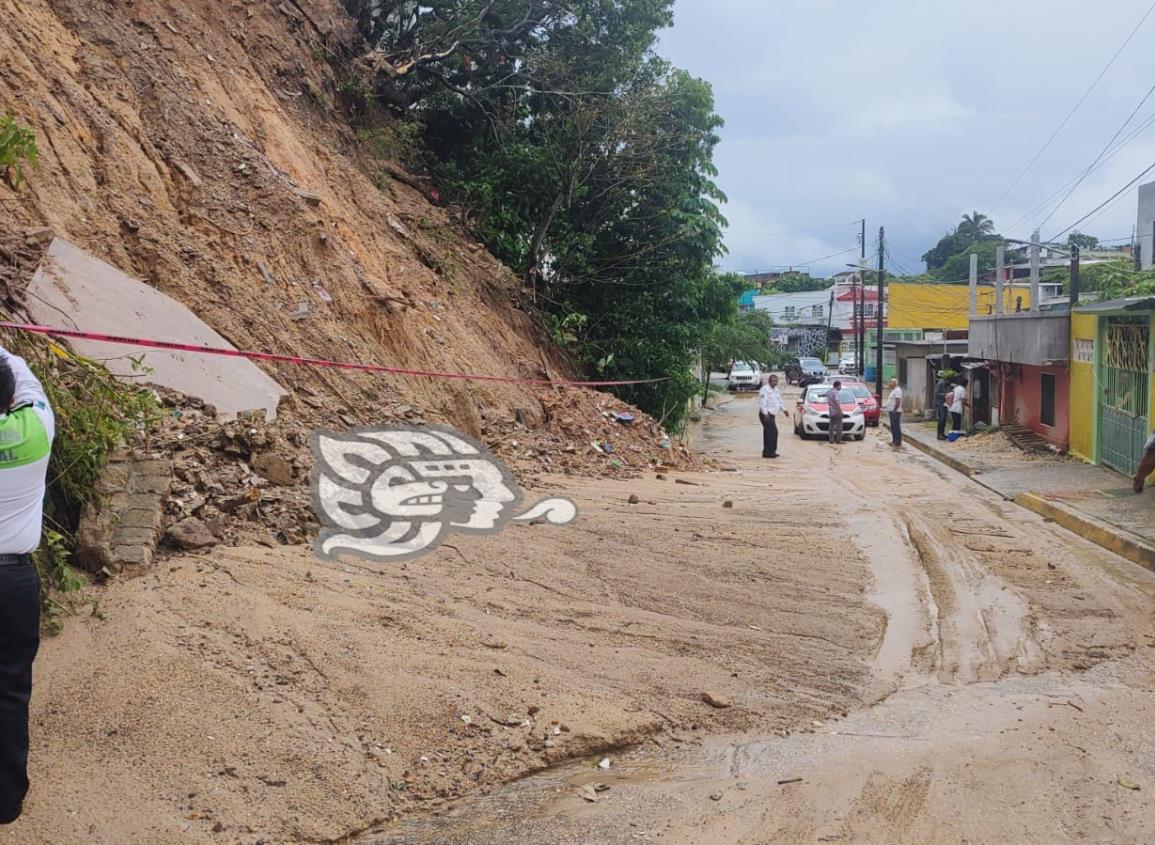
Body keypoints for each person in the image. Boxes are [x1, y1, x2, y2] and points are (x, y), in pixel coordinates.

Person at [0, 344, 54, 825]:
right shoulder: (35, 429)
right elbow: (24, 377)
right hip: (12, 580)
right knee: (10, 689)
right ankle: (6, 799)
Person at [758, 374, 789, 459]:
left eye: (776, 381)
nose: (775, 383)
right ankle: (767, 453)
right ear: (769, 381)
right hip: (766, 414)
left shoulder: (776, 390)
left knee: (772, 433)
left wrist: (784, 410)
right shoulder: (764, 390)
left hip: (772, 414)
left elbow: (779, 401)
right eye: (773, 381)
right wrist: (765, 413)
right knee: (771, 433)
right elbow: (762, 402)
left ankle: (771, 451)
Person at [885, 378, 904, 447]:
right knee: (893, 427)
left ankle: (897, 441)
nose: (890, 384)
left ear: (895, 383)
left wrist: (894, 410)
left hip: (895, 412)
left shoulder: (897, 391)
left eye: (891, 383)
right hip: (892, 411)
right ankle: (894, 440)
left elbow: (898, 401)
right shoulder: (894, 390)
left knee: (896, 427)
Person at [933, 375, 951, 441]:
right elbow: (936, 394)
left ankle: (942, 433)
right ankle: (939, 434)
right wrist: (946, 394)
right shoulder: (940, 384)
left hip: (945, 403)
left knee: (944, 419)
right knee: (942, 419)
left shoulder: (947, 385)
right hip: (940, 403)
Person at [827, 380, 845, 445]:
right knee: (839, 426)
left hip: (831, 410)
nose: (841, 387)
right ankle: (838, 440)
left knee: (831, 426)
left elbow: (824, 395)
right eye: (840, 385)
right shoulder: (835, 392)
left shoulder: (829, 392)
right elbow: (837, 401)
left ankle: (831, 440)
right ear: (837, 386)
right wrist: (840, 410)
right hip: (836, 410)